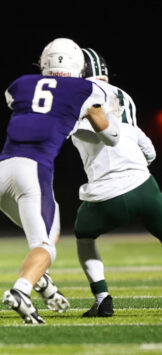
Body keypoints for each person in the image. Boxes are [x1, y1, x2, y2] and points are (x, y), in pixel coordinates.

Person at [0, 38, 121, 324]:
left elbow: (25, 105)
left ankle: (43, 283)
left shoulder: (21, 83)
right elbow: (111, 136)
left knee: (50, 232)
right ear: (78, 64)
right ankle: (21, 291)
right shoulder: (87, 88)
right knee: (45, 245)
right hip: (32, 172)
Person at [71, 48, 161, 317]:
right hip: (145, 186)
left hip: (105, 192)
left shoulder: (74, 98)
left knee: (84, 236)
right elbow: (148, 149)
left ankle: (101, 296)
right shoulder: (124, 97)